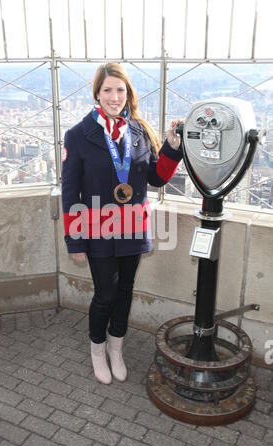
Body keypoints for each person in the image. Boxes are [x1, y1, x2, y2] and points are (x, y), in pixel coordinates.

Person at [62, 63, 182, 385]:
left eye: (120, 90)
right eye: (107, 90)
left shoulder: (139, 131)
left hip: (131, 226)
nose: (115, 97)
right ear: (97, 94)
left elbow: (156, 178)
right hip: (98, 229)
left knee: (125, 291)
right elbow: (70, 191)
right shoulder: (77, 136)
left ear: (128, 93)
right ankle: (97, 350)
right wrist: (75, 240)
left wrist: (172, 147)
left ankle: (117, 348)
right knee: (105, 293)